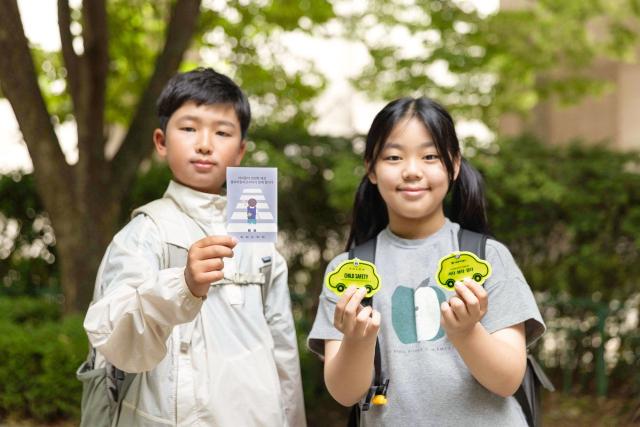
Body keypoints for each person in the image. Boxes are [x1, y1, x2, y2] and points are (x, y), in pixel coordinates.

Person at [83, 68, 306, 426]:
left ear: (240, 151)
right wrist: (182, 285)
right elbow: (113, 338)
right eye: (188, 128)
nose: (205, 143)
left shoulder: (260, 242)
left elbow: (283, 350)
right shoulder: (147, 232)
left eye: (222, 132)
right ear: (160, 142)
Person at [308, 97, 546, 426]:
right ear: (371, 169)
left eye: (430, 156)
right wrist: (359, 339)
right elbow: (345, 394)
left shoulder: (488, 257)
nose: (412, 170)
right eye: (393, 157)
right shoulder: (347, 271)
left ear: (454, 165)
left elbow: (508, 380)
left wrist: (466, 332)